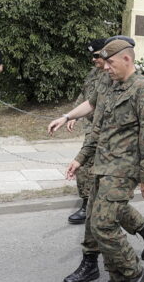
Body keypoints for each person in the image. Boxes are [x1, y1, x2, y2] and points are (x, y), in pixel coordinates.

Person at [64, 37, 144, 282]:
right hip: (101, 164)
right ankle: (117, 275)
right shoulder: (108, 83)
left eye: (110, 62)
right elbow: (98, 127)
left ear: (127, 59)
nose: (105, 67)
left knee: (103, 226)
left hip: (123, 169)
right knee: (95, 221)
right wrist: (81, 158)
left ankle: (135, 275)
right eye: (104, 62)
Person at [47, 38, 107, 225]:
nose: (93, 59)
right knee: (90, 169)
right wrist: (71, 116)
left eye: (96, 55)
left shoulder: (113, 76)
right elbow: (87, 97)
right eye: (92, 56)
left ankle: (87, 205)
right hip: (92, 126)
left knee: (84, 166)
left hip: (104, 129)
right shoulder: (94, 73)